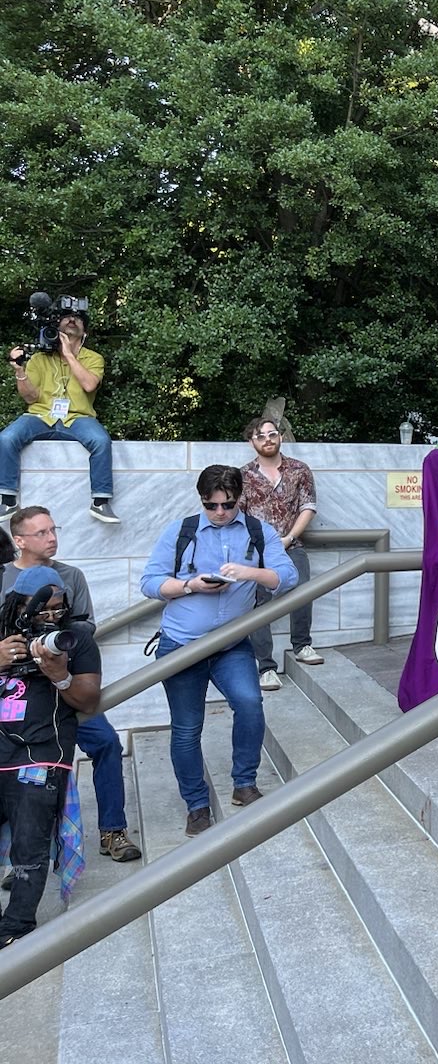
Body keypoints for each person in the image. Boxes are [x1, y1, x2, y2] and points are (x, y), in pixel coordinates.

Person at [140, 465, 298, 836]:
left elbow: (287, 576)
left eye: (227, 504)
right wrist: (191, 585)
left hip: (231, 644)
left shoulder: (258, 531)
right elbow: (149, 582)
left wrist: (250, 573)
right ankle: (196, 805)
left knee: (249, 702)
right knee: (186, 729)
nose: (221, 512)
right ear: (202, 502)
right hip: (181, 645)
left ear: (239, 499)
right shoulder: (182, 530)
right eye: (211, 506)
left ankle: (244, 784)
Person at [1, 507, 140, 863]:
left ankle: (113, 831)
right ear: (19, 541)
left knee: (107, 742)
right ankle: (15, 854)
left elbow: (83, 631)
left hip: (64, 685)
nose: (52, 538)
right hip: (16, 693)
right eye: (42, 533)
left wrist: (57, 661)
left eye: (53, 530)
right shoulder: (2, 578)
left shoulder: (71, 576)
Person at [0, 566, 103, 946]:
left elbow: (89, 699)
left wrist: (59, 674)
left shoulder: (75, 640)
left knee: (30, 847)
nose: (52, 616)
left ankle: (15, 926)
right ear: (18, 606)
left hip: (40, 756)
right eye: (42, 610)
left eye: (59, 608)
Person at [0, 300, 118, 524]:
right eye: (66, 317)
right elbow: (30, 397)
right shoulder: (39, 358)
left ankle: (100, 502)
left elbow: (89, 385)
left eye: (78, 318)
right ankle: (8, 500)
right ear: (57, 325)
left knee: (101, 441)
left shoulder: (93, 358)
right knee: (7, 438)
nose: (72, 320)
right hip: (41, 416)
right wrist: (19, 370)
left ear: (84, 330)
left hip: (78, 417)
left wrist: (69, 355)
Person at [239, 417, 324, 692]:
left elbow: (308, 507)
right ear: (252, 441)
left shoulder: (299, 470)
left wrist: (288, 539)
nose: (267, 439)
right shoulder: (242, 476)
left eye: (272, 434)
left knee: (302, 591)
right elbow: (238, 515)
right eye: (260, 435)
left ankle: (302, 645)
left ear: (281, 437)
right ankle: (265, 667)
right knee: (259, 605)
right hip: (257, 550)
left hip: (291, 544)